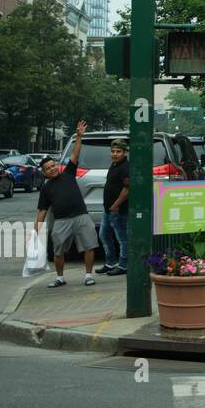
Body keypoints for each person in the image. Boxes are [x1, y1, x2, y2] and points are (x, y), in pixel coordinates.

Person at [32, 120, 98, 287]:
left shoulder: (68, 173)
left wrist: (79, 136)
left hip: (81, 216)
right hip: (62, 221)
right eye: (48, 168)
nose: (52, 169)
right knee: (58, 251)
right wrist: (35, 231)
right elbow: (42, 211)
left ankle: (88, 275)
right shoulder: (46, 188)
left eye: (54, 165)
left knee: (89, 246)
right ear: (44, 173)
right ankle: (60, 277)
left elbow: (75, 155)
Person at [96, 138, 129, 276]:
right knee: (104, 235)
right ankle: (110, 263)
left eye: (118, 151)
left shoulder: (125, 167)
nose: (115, 154)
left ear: (125, 152)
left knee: (122, 238)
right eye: (113, 151)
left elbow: (127, 188)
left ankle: (123, 265)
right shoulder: (114, 165)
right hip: (107, 209)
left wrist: (116, 205)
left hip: (118, 210)